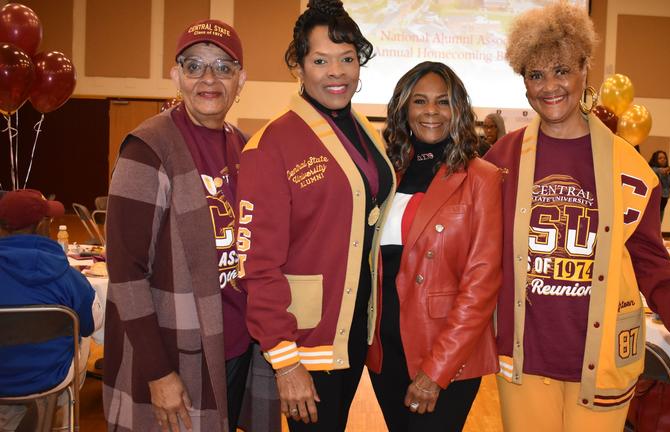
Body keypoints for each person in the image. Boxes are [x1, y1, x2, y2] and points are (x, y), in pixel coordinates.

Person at [484, 3, 670, 432]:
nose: (550, 86)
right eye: (536, 74)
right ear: (523, 81)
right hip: (524, 356)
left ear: (585, 67)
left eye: (561, 70)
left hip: (600, 357)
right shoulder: (501, 160)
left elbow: (651, 262)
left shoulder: (631, 169)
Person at [103, 19, 278, 432]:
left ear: (242, 79)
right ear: (176, 75)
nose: (208, 78)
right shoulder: (147, 149)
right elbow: (126, 274)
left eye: (223, 67)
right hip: (177, 351)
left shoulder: (246, 147)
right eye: (194, 65)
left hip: (236, 347)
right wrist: (158, 373)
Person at [235, 1, 395, 430]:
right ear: (299, 66)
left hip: (353, 331)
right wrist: (286, 363)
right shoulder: (272, 144)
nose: (336, 72)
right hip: (306, 342)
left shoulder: (361, 127)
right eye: (320, 61)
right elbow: (257, 263)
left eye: (347, 59)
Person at [366, 61, 502, 431]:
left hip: (443, 357)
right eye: (419, 101)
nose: (431, 112)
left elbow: (482, 284)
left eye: (442, 102)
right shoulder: (387, 173)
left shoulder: (481, 179)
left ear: (458, 109)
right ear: (403, 109)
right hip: (385, 354)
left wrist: (435, 371)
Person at [0, 189, 101, 429]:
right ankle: (59, 417)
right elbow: (92, 325)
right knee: (80, 332)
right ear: (42, 225)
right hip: (50, 378)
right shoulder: (67, 276)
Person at [649, 150, 670, 221]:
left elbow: (668, 185)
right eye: (660, 158)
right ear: (655, 159)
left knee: (659, 220)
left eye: (664, 158)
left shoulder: (667, 171)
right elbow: (653, 170)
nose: (663, 160)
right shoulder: (651, 169)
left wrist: (666, 174)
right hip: (654, 198)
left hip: (664, 198)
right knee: (652, 220)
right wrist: (660, 171)